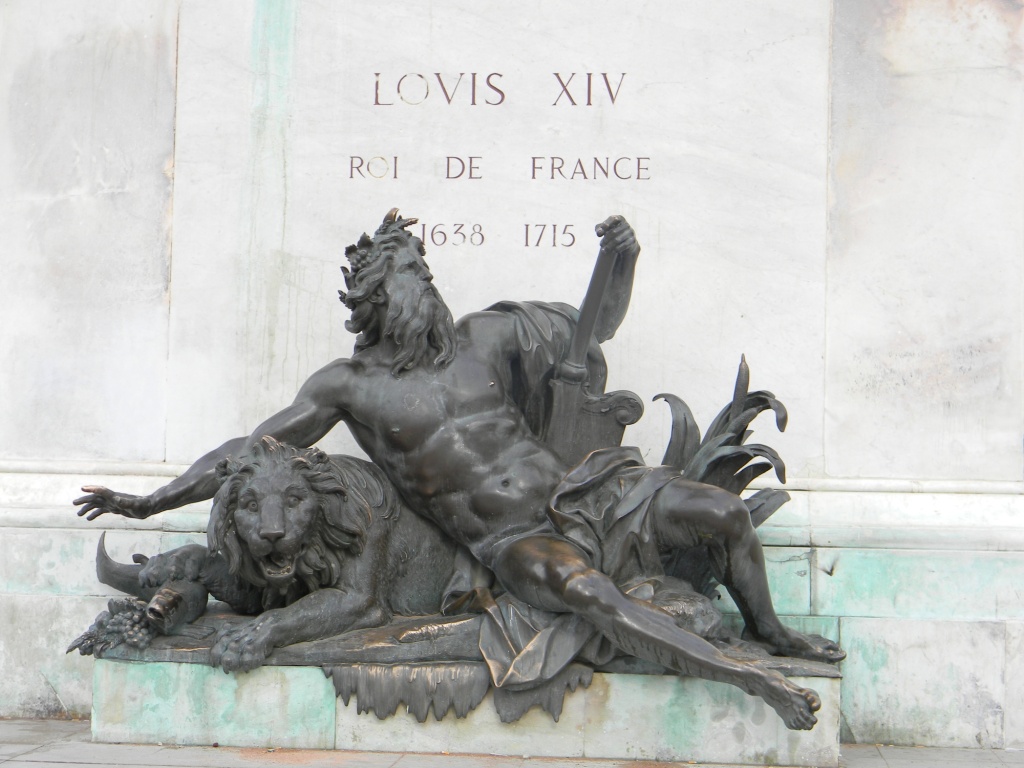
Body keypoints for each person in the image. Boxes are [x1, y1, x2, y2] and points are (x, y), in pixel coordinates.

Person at [76, 210, 843, 729]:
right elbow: (244, 452)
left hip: (589, 492)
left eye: (424, 278)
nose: (425, 296)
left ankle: (770, 633)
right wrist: (149, 503)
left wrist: (625, 257)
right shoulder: (348, 388)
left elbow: (598, 327)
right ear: (377, 303)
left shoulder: (488, 337)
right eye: (408, 286)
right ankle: (751, 680)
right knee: (592, 596)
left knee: (725, 515)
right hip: (510, 542)